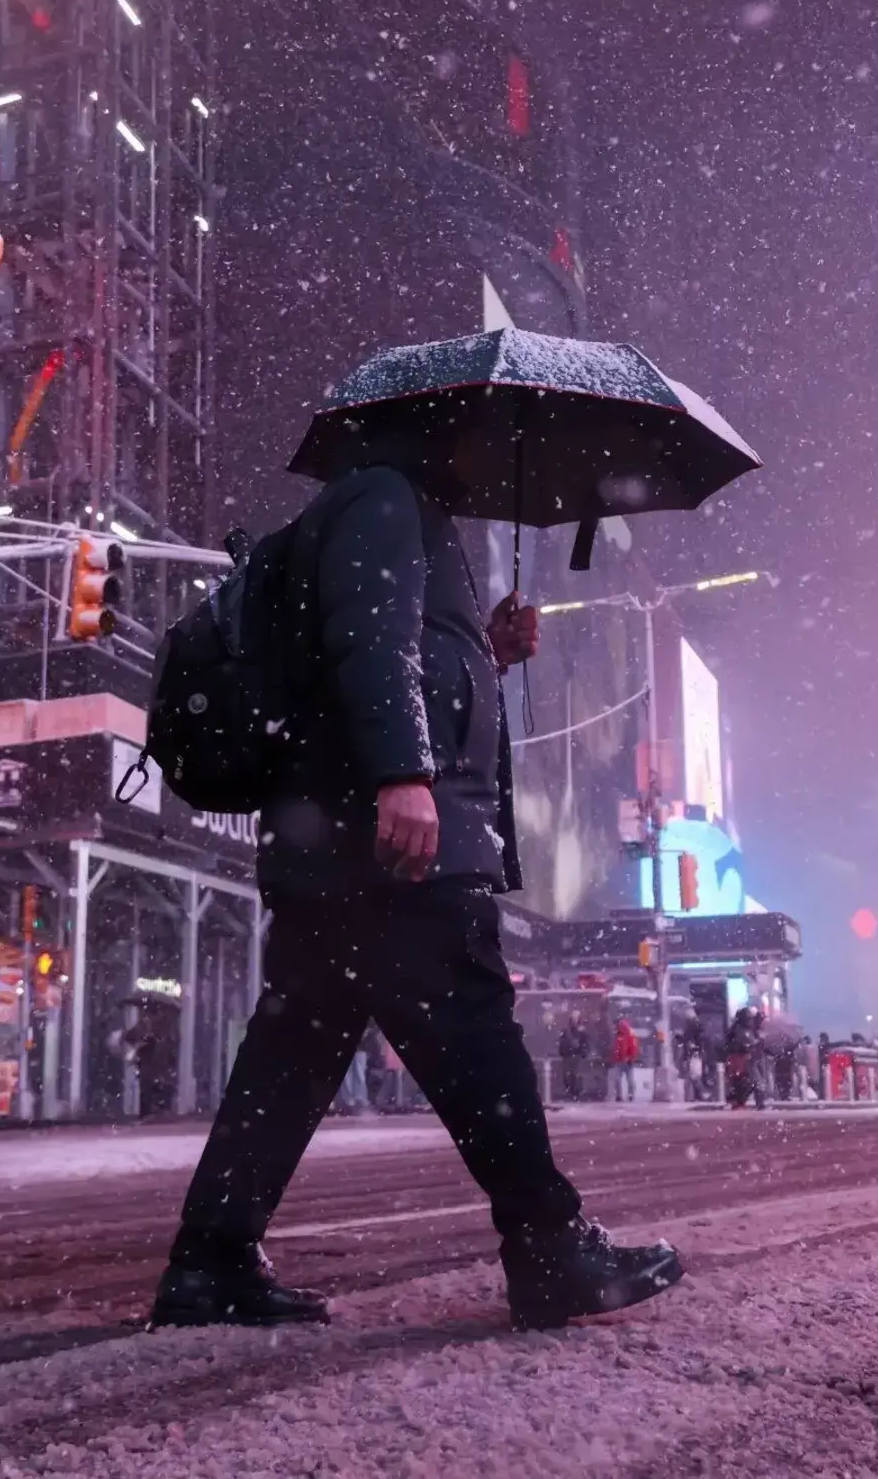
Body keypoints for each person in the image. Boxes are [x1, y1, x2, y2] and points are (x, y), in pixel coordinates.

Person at [148, 419, 682, 1332]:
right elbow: (369, 639)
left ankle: (210, 1259)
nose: (487, 461)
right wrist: (405, 774)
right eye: (480, 440)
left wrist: (487, 644)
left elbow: (390, 651)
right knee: (474, 1035)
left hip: (333, 843)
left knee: (293, 1057)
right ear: (439, 433)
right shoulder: (386, 500)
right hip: (385, 843)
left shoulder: (386, 512)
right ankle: (549, 1245)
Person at [556, 1017, 591, 1103]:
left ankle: (574, 1093)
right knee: (570, 1076)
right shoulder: (572, 1032)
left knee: (573, 1076)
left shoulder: (578, 1032)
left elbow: (585, 1044)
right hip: (571, 1056)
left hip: (574, 1056)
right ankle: (573, 1093)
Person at [609, 1018, 640, 1103]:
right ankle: (630, 1095)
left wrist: (615, 1058)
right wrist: (631, 1057)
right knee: (629, 1079)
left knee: (619, 1079)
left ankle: (620, 1096)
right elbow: (633, 1046)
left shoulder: (619, 1034)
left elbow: (616, 1047)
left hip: (622, 1060)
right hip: (626, 1060)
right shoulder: (628, 1033)